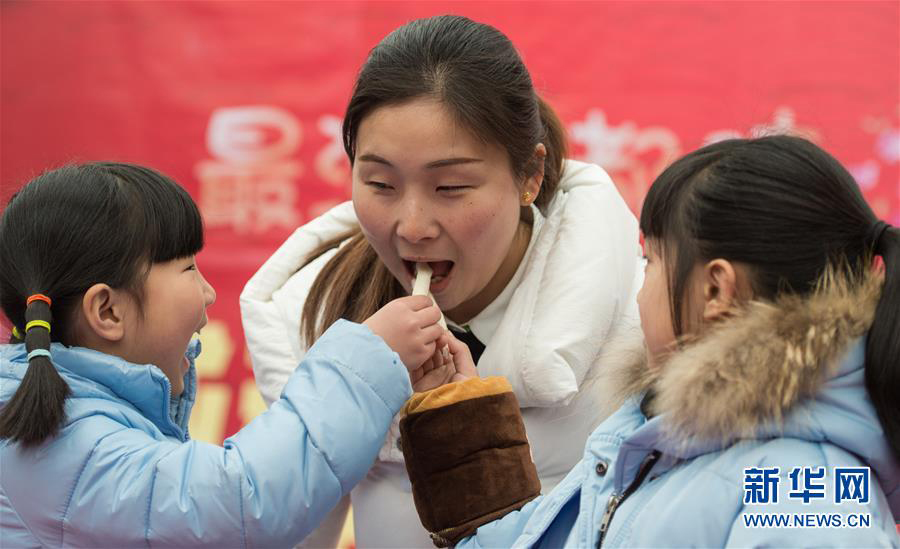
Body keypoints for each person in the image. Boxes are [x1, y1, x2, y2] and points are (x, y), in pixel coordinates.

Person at [240, 14, 643, 548]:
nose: (411, 226)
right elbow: (288, 528)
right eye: (380, 183)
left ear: (530, 175)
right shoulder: (313, 318)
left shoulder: (641, 320)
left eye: (450, 187)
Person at [399, 135, 900, 547]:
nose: (642, 289)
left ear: (715, 290)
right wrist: (462, 425)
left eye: (654, 260)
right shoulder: (666, 437)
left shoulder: (806, 493)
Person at [0, 162, 450, 547]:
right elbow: (243, 502)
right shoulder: (59, 448)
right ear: (107, 310)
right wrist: (365, 361)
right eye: (188, 268)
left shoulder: (69, 426)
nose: (209, 293)